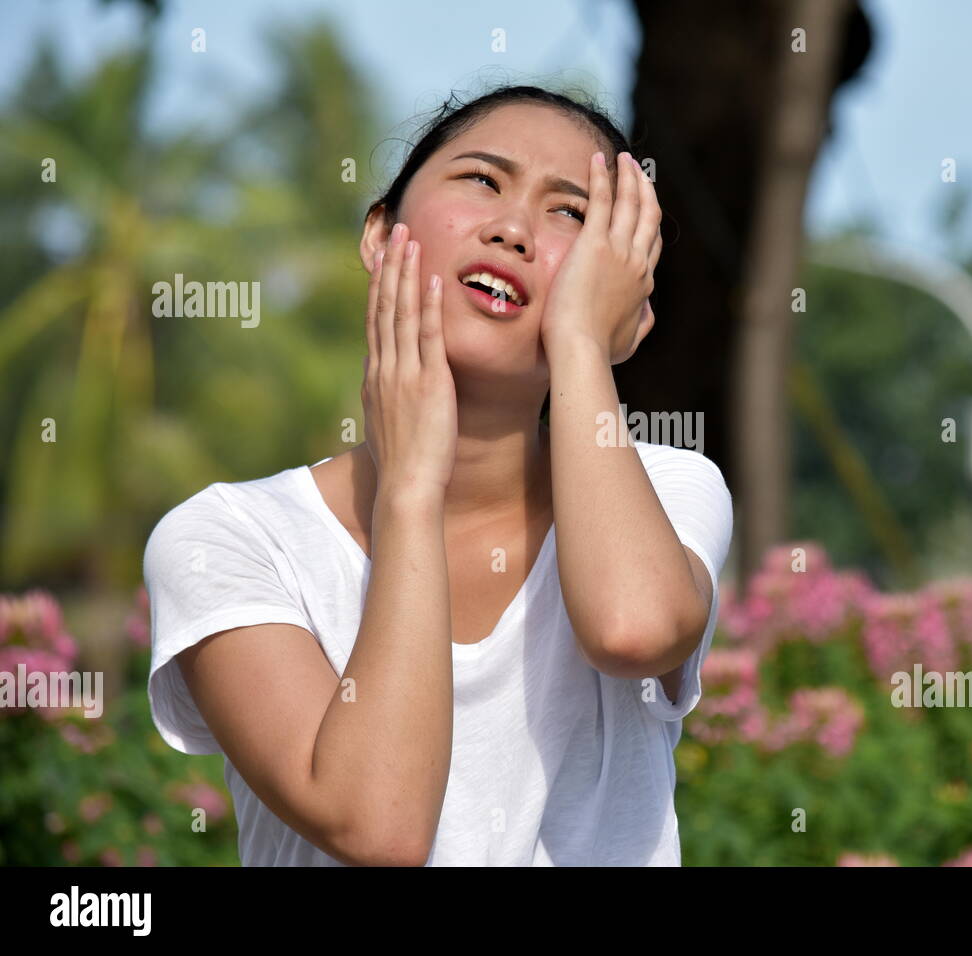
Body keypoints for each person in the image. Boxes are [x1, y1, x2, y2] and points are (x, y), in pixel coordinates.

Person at [142, 85, 734, 866]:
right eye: (482, 180)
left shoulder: (668, 488)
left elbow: (630, 630)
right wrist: (411, 495)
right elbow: (377, 824)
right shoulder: (228, 537)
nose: (513, 228)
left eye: (572, 214)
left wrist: (584, 347)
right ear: (381, 235)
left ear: (628, 302)